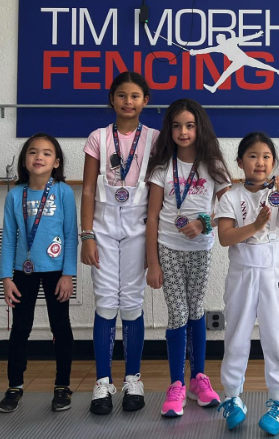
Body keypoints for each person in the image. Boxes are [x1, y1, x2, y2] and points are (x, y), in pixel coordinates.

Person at [146, 98, 231, 417]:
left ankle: (198, 379)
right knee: (178, 312)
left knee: (195, 310)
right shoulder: (161, 167)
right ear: (169, 130)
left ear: (200, 128)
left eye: (190, 125)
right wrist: (153, 263)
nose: (183, 132)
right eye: (177, 126)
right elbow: (152, 217)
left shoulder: (213, 165)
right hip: (168, 248)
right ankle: (176, 384)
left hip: (201, 250)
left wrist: (204, 223)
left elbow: (229, 209)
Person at [81, 71, 159, 415]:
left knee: (131, 302)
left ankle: (132, 379)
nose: (128, 101)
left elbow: (159, 191)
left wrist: (154, 244)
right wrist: (87, 235)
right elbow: (87, 189)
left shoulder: (155, 139)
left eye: (135, 96)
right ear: (112, 99)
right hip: (103, 228)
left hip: (139, 230)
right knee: (105, 303)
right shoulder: (98, 137)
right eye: (122, 95)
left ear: (146, 101)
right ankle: (102, 382)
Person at [215, 132, 279, 435]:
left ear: (273, 162)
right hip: (241, 275)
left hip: (272, 276)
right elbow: (225, 238)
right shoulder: (230, 197)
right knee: (236, 335)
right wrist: (255, 225)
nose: (259, 162)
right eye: (252, 156)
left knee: (274, 336)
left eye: (266, 157)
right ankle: (232, 397)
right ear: (240, 162)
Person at [0, 133, 77, 413]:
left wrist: (69, 274)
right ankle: (14, 386)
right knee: (20, 328)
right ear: (24, 160)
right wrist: (6, 278)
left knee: (61, 327)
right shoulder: (15, 195)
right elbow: (8, 239)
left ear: (56, 162)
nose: (39, 157)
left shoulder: (63, 192)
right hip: (23, 271)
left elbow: (71, 235)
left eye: (46, 153)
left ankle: (62, 385)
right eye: (33, 152)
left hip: (57, 272)